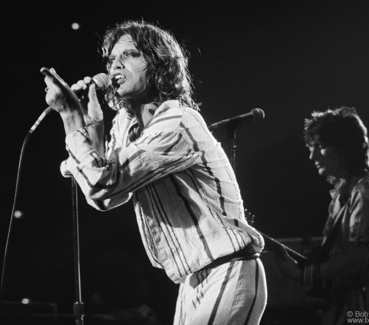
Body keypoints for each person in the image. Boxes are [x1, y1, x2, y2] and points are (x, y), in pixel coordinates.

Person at [42, 19, 267, 324]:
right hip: (191, 280)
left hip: (228, 269)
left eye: (129, 55)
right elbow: (106, 196)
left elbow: (104, 185)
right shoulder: (126, 127)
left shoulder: (178, 121)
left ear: (159, 63)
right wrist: (88, 122)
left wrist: (70, 116)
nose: (114, 66)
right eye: (111, 60)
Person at [275, 107, 369, 324]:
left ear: (344, 148)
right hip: (348, 301)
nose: (312, 156)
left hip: (365, 304)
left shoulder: (367, 192)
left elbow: (357, 259)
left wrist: (306, 274)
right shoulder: (346, 191)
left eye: (320, 147)